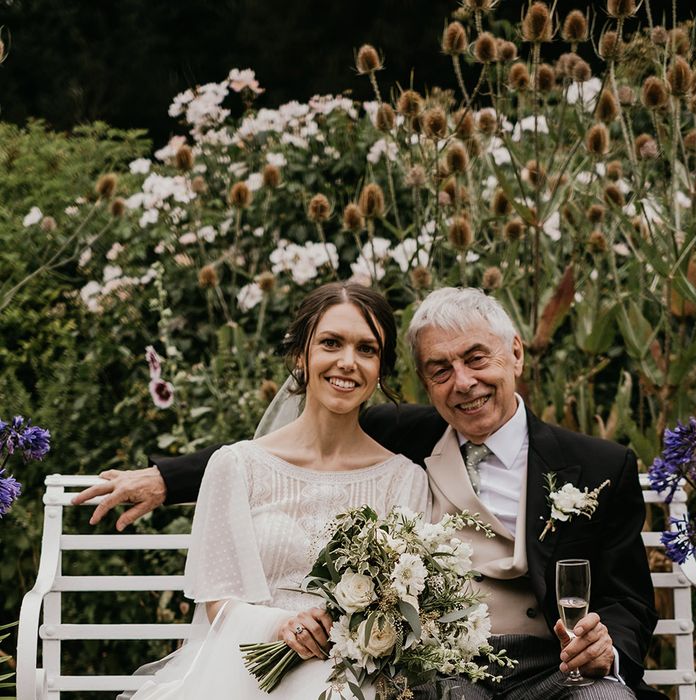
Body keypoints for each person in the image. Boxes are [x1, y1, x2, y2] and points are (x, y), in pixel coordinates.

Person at [76, 287, 663, 700]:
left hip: (560, 667)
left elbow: (629, 600)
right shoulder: (414, 432)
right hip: (450, 671)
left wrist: (608, 647)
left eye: (477, 358)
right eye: (439, 369)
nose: (463, 383)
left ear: (515, 352)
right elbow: (282, 451)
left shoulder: (598, 465)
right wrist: (165, 478)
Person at [116, 281, 430, 700]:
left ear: (381, 368)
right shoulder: (237, 466)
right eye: (331, 343)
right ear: (301, 355)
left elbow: (405, 600)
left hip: (356, 676)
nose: (347, 362)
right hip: (247, 662)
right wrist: (279, 626)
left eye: (367, 349)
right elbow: (218, 601)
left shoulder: (404, 480)